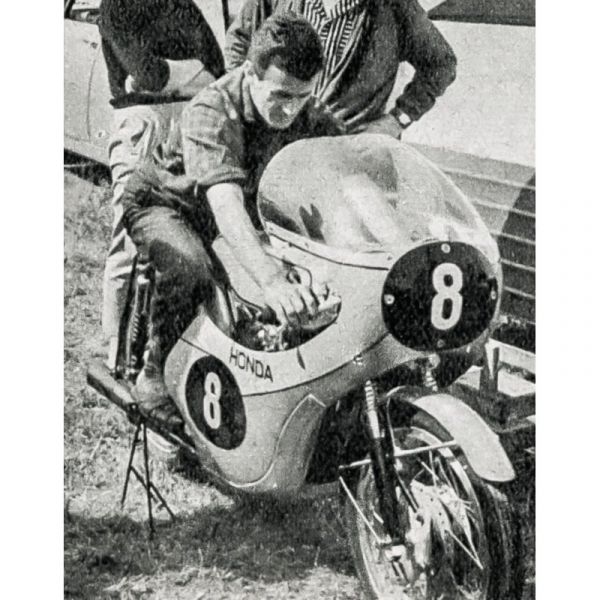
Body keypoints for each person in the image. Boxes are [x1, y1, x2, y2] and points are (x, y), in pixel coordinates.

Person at [120, 13, 343, 426]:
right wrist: (272, 280)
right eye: (280, 95)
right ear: (250, 73)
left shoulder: (305, 111)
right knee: (190, 266)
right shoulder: (212, 108)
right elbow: (226, 206)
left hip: (230, 213)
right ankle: (154, 374)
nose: (291, 109)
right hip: (168, 203)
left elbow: (345, 171)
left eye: (302, 97)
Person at [98, 0, 225, 368]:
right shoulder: (116, 6)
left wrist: (184, 72)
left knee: (186, 236)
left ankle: (170, 349)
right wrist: (193, 69)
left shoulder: (180, 5)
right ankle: (117, 352)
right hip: (143, 121)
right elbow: (148, 75)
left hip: (189, 119)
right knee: (129, 239)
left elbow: (216, 70)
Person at [224, 0, 457, 136]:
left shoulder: (394, 7)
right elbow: (240, 40)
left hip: (347, 152)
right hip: (277, 144)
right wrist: (246, 103)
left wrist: (398, 120)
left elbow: (441, 63)